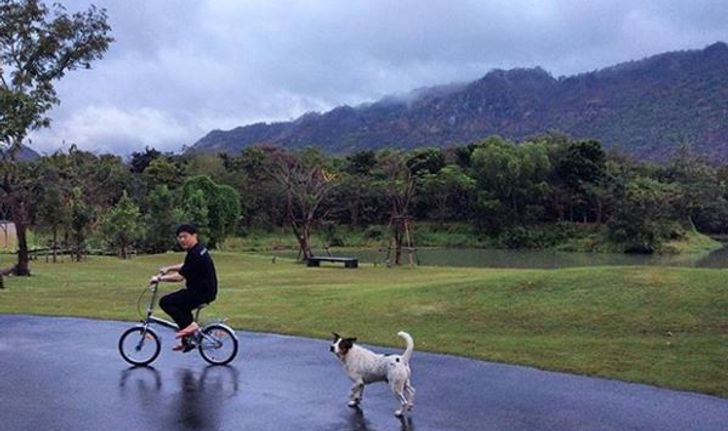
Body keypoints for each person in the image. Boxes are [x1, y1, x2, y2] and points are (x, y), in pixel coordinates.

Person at [151, 224, 218, 351]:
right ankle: (188, 340)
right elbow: (186, 265)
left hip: (200, 292)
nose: (182, 240)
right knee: (182, 307)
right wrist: (169, 268)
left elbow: (179, 277)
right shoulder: (198, 250)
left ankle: (191, 327)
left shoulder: (195, 254)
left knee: (166, 302)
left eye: (185, 236)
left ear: (194, 236)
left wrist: (159, 278)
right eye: (179, 237)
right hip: (205, 290)